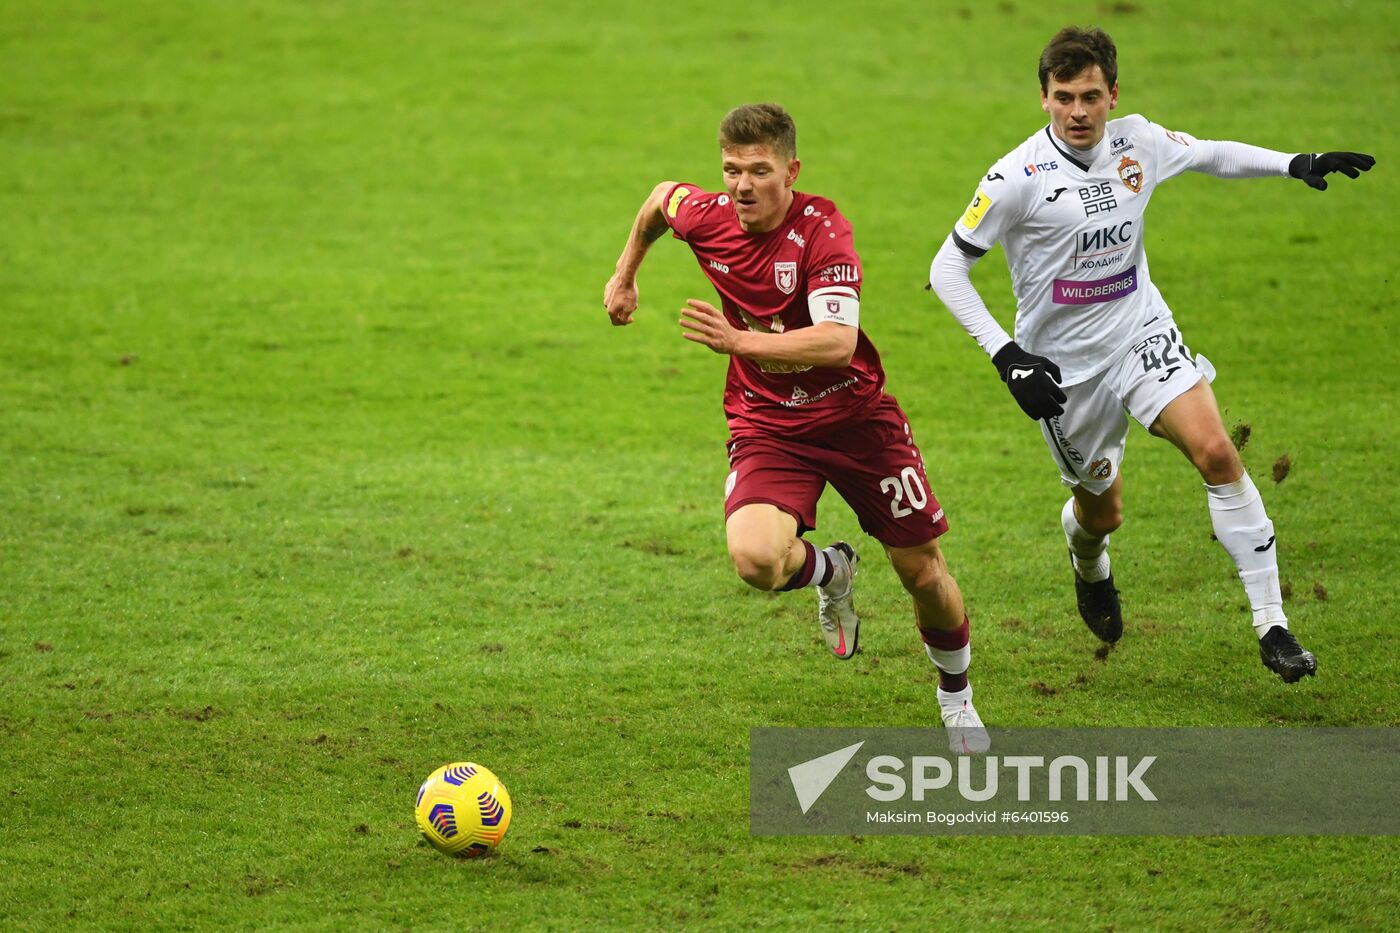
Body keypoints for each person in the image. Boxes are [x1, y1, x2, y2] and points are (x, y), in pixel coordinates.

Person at [929, 26, 1373, 682]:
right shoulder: (1014, 177)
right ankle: (1089, 563)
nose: (1077, 111)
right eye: (1062, 97)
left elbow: (1211, 153)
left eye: (1089, 96)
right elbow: (946, 268)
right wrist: (1008, 355)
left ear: (1113, 94)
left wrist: (1294, 162)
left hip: (1141, 332)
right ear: (1044, 98)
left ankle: (1272, 623)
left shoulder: (1139, 141)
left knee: (1218, 452)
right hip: (1065, 372)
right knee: (1101, 510)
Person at [604, 103, 988, 751]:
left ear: (791, 169)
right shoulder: (708, 217)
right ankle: (832, 572)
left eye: (759, 170)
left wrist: (736, 341)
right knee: (755, 559)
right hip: (769, 423)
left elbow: (838, 342)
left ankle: (957, 698)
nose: (742, 185)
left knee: (923, 573)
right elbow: (658, 201)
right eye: (731, 170)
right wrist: (624, 276)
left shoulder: (823, 231)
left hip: (855, 419)